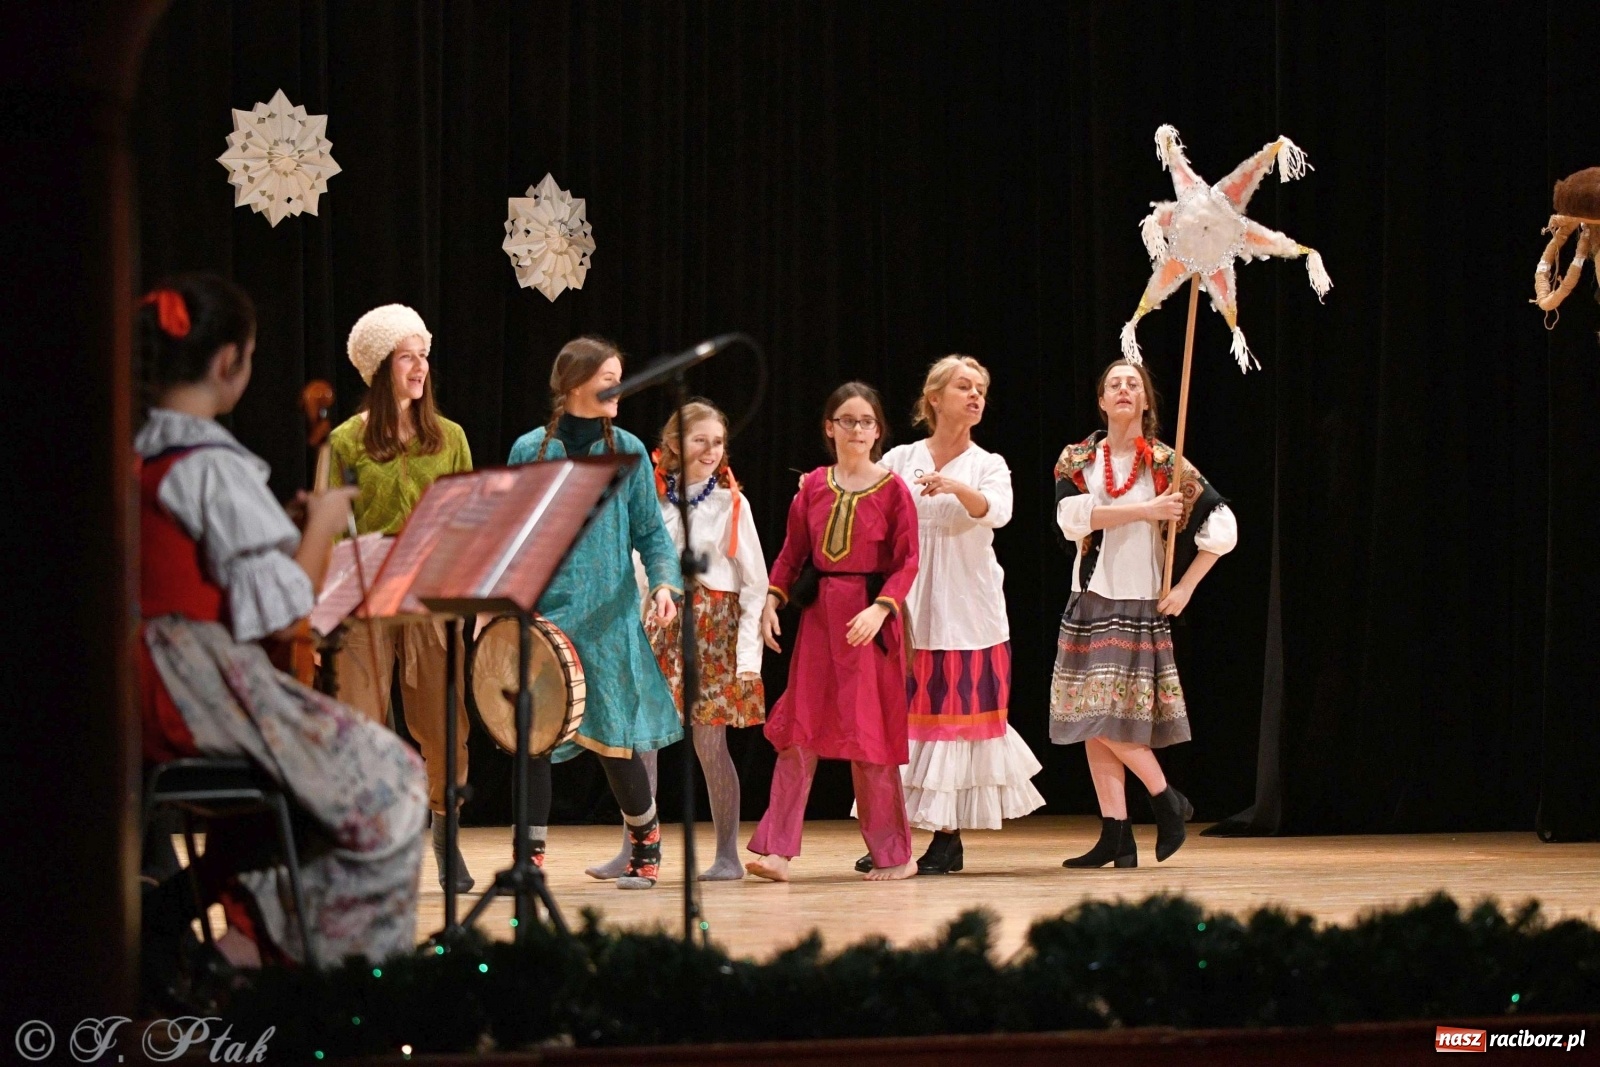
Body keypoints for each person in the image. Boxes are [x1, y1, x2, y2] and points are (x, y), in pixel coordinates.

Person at [135, 273, 426, 970]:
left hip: (145, 684)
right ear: (230, 363)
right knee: (396, 777)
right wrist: (323, 524)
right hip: (196, 687)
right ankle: (330, 974)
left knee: (304, 789)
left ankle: (230, 933)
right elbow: (286, 607)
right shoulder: (211, 464)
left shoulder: (137, 451)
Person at [507, 336, 682, 890]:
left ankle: (646, 845)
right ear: (576, 382)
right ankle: (529, 858)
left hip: (609, 619)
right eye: (610, 376)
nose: (621, 388)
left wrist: (664, 585)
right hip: (544, 618)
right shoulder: (531, 450)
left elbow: (652, 534)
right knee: (534, 735)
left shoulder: (627, 449)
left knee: (614, 740)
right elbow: (513, 538)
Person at [858, 355, 1044, 875]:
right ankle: (890, 835)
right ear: (934, 398)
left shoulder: (989, 464)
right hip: (910, 607)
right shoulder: (899, 458)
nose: (975, 395)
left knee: (953, 725)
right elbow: (870, 509)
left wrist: (957, 489)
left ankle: (947, 837)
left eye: (980, 387)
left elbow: (998, 512)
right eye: (964, 386)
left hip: (968, 608)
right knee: (902, 724)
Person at [1050, 359, 1236, 867]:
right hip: (1089, 598)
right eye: (1114, 384)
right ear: (1102, 401)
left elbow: (1222, 527)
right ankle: (1120, 831)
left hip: (1136, 600)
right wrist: (1147, 511)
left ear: (1147, 401)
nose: (1124, 389)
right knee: (1091, 721)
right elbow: (1072, 519)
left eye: (1134, 384)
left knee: (1105, 717)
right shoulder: (1080, 458)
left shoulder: (1164, 463)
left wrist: (1185, 588)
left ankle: (1163, 799)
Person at [326, 303, 475, 892]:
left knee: (444, 725)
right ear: (380, 367)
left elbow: (469, 516)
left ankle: (446, 840)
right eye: (407, 356)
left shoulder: (451, 437)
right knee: (361, 724)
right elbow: (333, 529)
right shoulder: (346, 440)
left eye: (423, 354)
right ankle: (367, 847)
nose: (420, 367)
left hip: (432, 599)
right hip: (365, 601)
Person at [587, 400, 769, 882]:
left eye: (717, 441)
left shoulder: (732, 502)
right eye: (699, 440)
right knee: (642, 743)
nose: (710, 450)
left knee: (710, 744)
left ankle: (727, 856)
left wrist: (746, 656)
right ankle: (637, 851)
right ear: (673, 444)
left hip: (713, 629)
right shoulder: (652, 498)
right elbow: (639, 570)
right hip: (661, 624)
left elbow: (754, 581)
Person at [747, 382, 920, 882]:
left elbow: (908, 561)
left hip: (868, 625)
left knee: (870, 740)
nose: (858, 429)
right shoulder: (815, 487)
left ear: (878, 430)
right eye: (848, 420)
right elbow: (791, 553)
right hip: (821, 621)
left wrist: (882, 610)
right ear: (830, 428)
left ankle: (894, 856)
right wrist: (772, 601)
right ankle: (776, 851)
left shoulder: (892, 490)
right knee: (799, 732)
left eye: (867, 421)